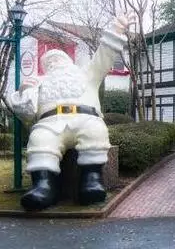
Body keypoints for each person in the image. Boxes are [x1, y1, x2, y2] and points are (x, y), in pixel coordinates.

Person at [7, 15, 132, 210]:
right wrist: (24, 90)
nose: (54, 62)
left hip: (86, 118)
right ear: (44, 68)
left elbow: (103, 56)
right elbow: (26, 113)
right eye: (49, 61)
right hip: (50, 123)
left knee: (95, 132)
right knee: (40, 140)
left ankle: (91, 181)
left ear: (70, 62)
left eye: (58, 58)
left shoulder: (86, 74)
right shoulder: (39, 82)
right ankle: (44, 186)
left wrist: (115, 32)